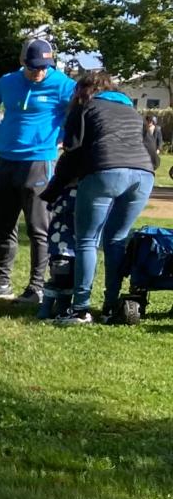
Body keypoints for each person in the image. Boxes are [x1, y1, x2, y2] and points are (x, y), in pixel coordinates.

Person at [45, 66, 159, 325]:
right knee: (116, 240)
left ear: (82, 91)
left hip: (105, 172)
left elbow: (71, 152)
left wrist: (52, 190)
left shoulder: (84, 108)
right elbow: (154, 157)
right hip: (143, 176)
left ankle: (80, 309)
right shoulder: (133, 112)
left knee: (87, 240)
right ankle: (110, 307)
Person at [0, 38, 77, 303]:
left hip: (39, 162)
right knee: (4, 226)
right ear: (23, 62)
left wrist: (63, 135)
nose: (38, 72)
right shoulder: (7, 82)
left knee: (38, 228)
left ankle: (36, 287)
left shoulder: (63, 84)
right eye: (33, 67)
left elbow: (78, 111)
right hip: (5, 161)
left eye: (43, 66)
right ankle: (2, 283)